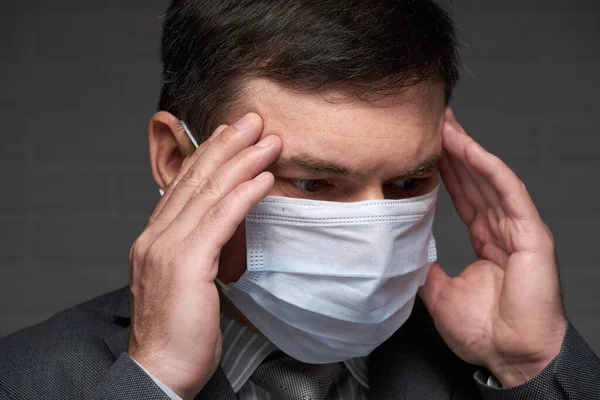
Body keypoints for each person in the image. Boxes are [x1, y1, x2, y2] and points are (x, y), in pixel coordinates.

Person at [1, 0, 599, 399]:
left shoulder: (487, 369)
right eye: (312, 184)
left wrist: (530, 363)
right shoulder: (28, 378)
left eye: (409, 183)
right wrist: (153, 382)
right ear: (178, 161)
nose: (373, 233)